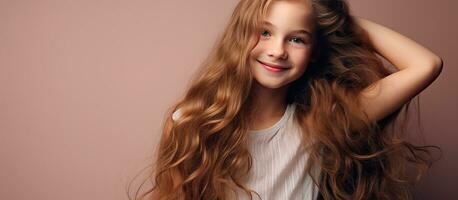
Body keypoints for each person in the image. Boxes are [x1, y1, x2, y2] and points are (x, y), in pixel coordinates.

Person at [128, 0, 443, 199]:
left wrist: (332, 18)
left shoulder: (320, 125)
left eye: (296, 38)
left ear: (315, 50)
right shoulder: (191, 122)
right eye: (264, 32)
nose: (278, 50)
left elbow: (425, 65)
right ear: (240, 37)